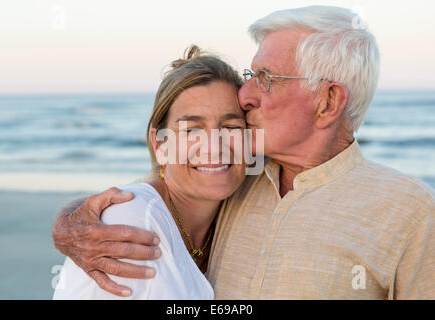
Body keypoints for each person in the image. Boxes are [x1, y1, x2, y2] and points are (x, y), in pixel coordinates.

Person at [53, 6, 434, 299]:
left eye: (266, 79)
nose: (246, 95)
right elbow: (160, 193)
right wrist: (74, 221)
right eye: (251, 77)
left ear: (329, 100)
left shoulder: (411, 212)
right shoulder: (240, 174)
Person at [53, 45, 247, 299]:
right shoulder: (134, 223)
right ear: (160, 145)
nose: (214, 147)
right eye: (191, 130)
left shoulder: (236, 207)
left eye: (232, 127)